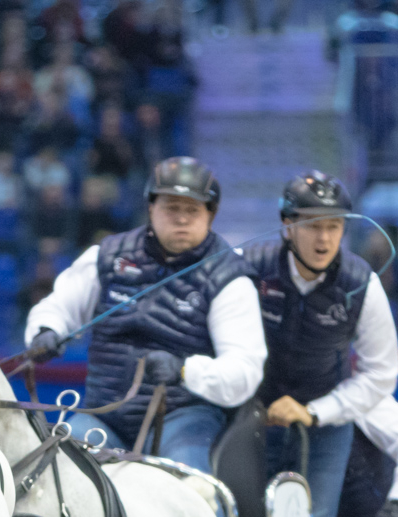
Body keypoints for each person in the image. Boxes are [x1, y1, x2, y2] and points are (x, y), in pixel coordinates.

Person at [23, 156, 266, 474]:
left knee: (187, 481)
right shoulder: (107, 256)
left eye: (192, 210)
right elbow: (56, 307)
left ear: (211, 214)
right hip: (103, 415)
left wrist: (185, 370)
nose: (181, 219)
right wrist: (46, 331)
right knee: (51, 468)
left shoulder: (230, 277)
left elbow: (245, 370)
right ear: (151, 208)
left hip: (183, 416)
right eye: (171, 208)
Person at [238, 170, 398, 517]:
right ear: (287, 225)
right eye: (312, 225)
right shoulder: (247, 268)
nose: (324, 239)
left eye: (334, 226)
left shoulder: (361, 283)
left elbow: (382, 374)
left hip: (325, 422)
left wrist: (315, 412)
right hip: (248, 417)